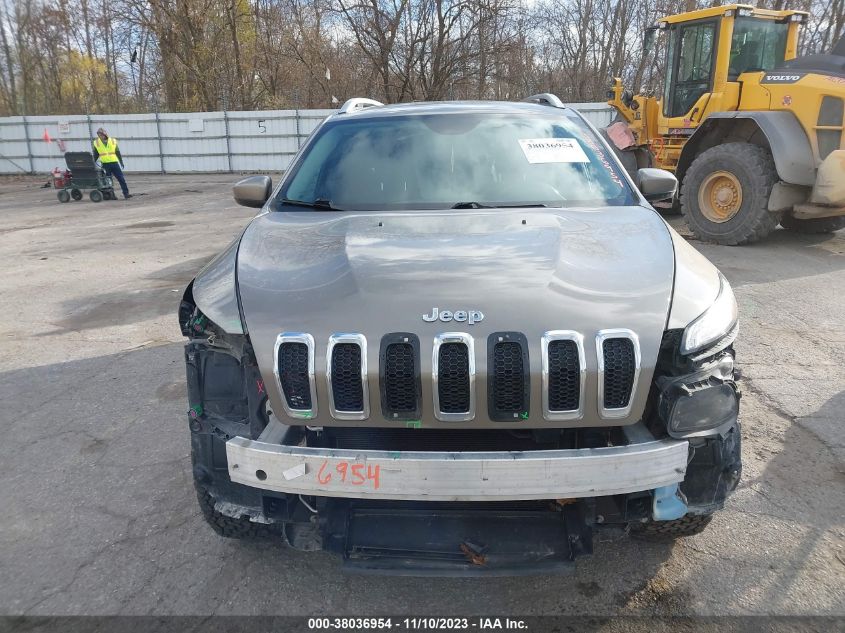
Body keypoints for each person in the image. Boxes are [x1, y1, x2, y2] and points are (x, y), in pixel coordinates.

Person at [92, 127, 132, 199]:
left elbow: (117, 152)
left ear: (104, 134)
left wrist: (121, 161)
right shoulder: (96, 143)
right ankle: (112, 195)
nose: (100, 136)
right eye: (98, 135)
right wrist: (92, 162)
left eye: (101, 134)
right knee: (108, 181)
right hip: (105, 164)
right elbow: (96, 154)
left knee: (121, 179)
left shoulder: (113, 141)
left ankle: (126, 193)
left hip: (114, 163)